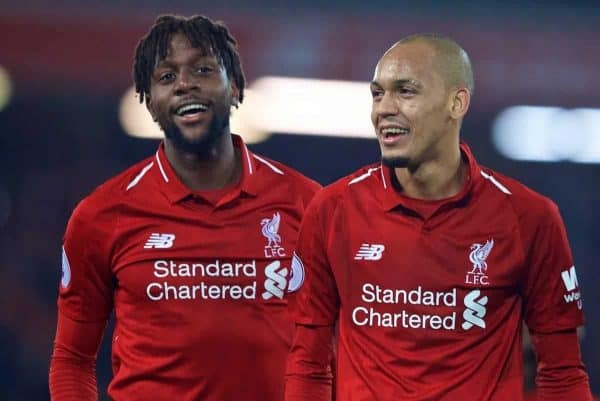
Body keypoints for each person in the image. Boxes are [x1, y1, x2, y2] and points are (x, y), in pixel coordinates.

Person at [284, 34, 593, 401]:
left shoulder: (529, 217)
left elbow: (562, 373)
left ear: (456, 102)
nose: (384, 108)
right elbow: (309, 363)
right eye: (377, 93)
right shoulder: (333, 209)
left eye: (406, 92)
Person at [49, 14, 320, 401]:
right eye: (166, 77)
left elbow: (338, 349)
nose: (185, 85)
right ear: (150, 103)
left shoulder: (309, 205)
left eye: (203, 70)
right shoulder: (102, 215)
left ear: (236, 88)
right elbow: (72, 359)